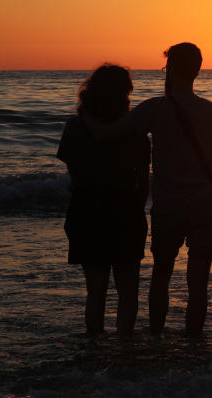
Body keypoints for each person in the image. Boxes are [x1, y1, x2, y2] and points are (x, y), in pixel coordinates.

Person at [84, 43, 212, 335]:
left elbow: (107, 134)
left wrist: (84, 114)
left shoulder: (155, 109)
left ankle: (156, 338)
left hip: (169, 206)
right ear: (198, 71)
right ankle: (193, 342)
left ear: (171, 69)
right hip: (206, 205)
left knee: (161, 276)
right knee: (198, 282)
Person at [56, 64, 149, 336]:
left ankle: (94, 346)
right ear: (124, 93)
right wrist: (136, 209)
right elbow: (144, 181)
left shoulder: (74, 126)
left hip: (86, 208)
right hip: (125, 208)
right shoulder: (134, 130)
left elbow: (73, 174)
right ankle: (124, 347)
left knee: (95, 289)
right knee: (128, 289)